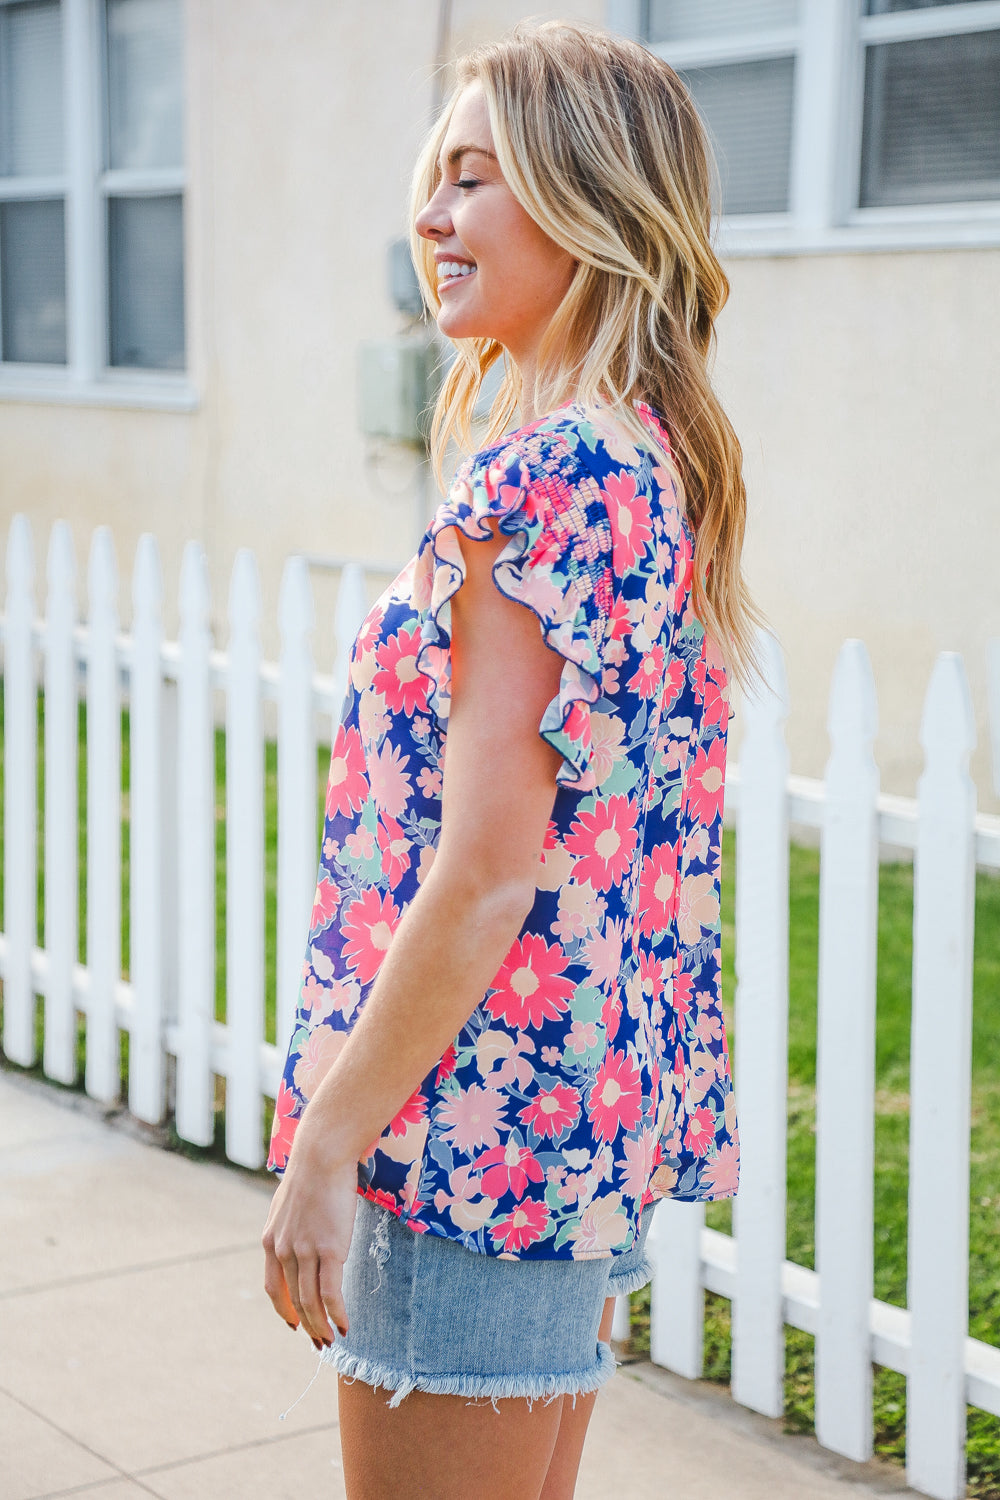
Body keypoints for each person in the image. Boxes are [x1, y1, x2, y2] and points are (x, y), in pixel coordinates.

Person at [262, 20, 760, 1500]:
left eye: (472, 178)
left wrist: (324, 1146)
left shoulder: (546, 477)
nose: (429, 219)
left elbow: (488, 872)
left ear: (590, 199)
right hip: (577, 1118)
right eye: (436, 179)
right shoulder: (647, 456)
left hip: (462, 1125)